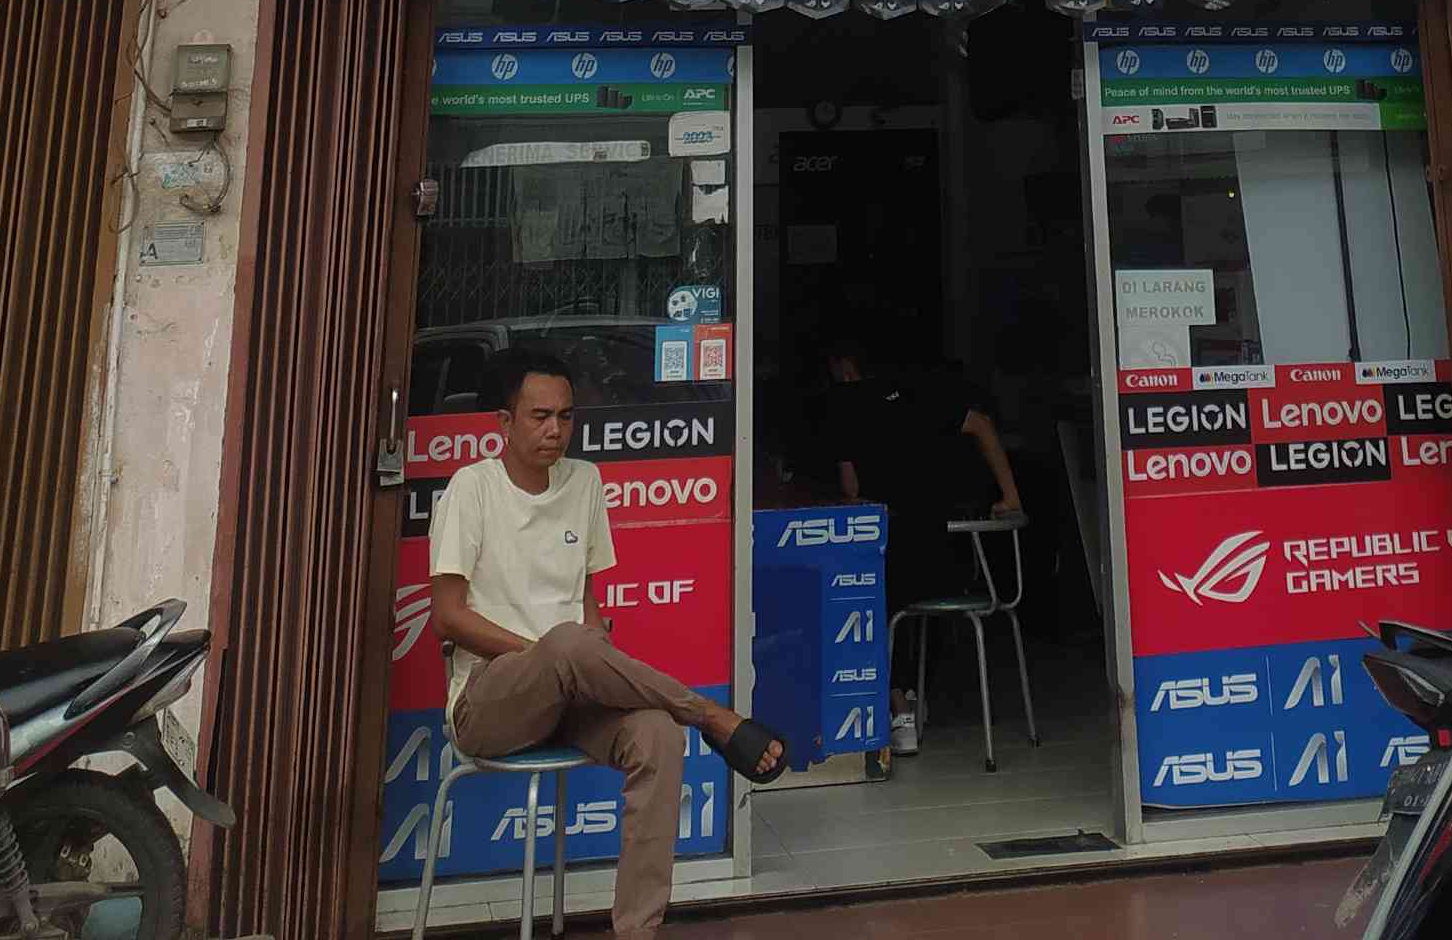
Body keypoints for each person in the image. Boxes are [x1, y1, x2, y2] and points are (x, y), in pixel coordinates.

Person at [428, 346, 785, 936]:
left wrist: (582, 653)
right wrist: (548, 655)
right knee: (569, 644)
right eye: (540, 416)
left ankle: (638, 930)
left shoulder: (585, 481)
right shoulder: (472, 488)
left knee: (658, 735)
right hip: (491, 699)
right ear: (505, 422)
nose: (555, 429)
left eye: (566, 416)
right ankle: (712, 715)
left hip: (570, 695)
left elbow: (587, 598)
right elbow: (446, 616)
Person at [823, 330, 1025, 734]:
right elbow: (982, 424)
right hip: (954, 561)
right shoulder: (925, 393)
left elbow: (851, 490)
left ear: (845, 369)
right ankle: (914, 691)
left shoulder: (846, 407)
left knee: (874, 593)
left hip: (896, 559)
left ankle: (899, 703)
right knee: (915, 599)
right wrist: (1011, 496)